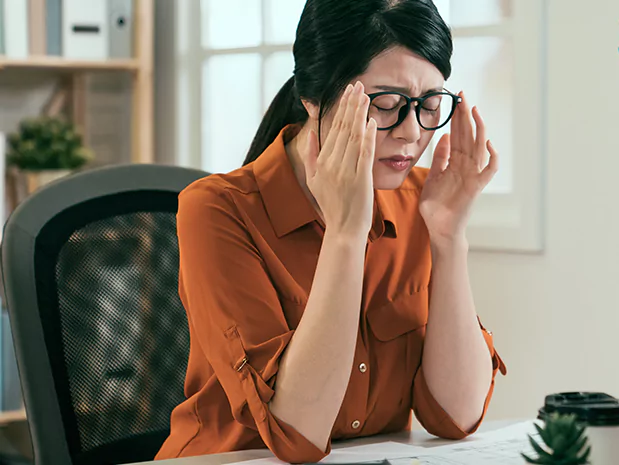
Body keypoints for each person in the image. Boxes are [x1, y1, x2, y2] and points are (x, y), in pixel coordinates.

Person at [155, 0, 506, 462]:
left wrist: (447, 236)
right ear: (314, 96)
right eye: (386, 105)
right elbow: (297, 436)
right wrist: (346, 232)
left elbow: (456, 416)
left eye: (429, 104)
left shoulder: (425, 200)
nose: (411, 132)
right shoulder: (216, 211)